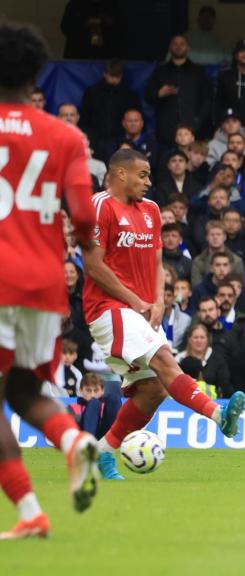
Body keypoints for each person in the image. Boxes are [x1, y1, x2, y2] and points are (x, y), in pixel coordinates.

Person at [81, 149, 245, 482]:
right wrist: (134, 300)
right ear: (119, 174)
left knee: (154, 390)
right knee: (165, 363)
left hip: (142, 312)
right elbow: (93, 264)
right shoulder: (100, 206)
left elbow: (158, 262)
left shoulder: (152, 211)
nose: (148, 181)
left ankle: (102, 452)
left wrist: (157, 301)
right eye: (142, 174)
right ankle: (219, 415)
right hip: (108, 309)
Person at [0, 21, 101, 539]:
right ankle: (70, 443)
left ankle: (28, 507)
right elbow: (84, 215)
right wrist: (82, 247)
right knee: (22, 390)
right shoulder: (65, 136)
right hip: (43, 282)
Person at [144, 34, 213, 146]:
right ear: (170, 48)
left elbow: (208, 100)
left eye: (182, 44)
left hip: (193, 130)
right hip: (167, 132)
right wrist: (159, 94)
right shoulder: (160, 71)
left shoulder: (198, 72)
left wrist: (198, 120)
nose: (178, 47)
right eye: (175, 44)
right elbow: (148, 96)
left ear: (188, 48)